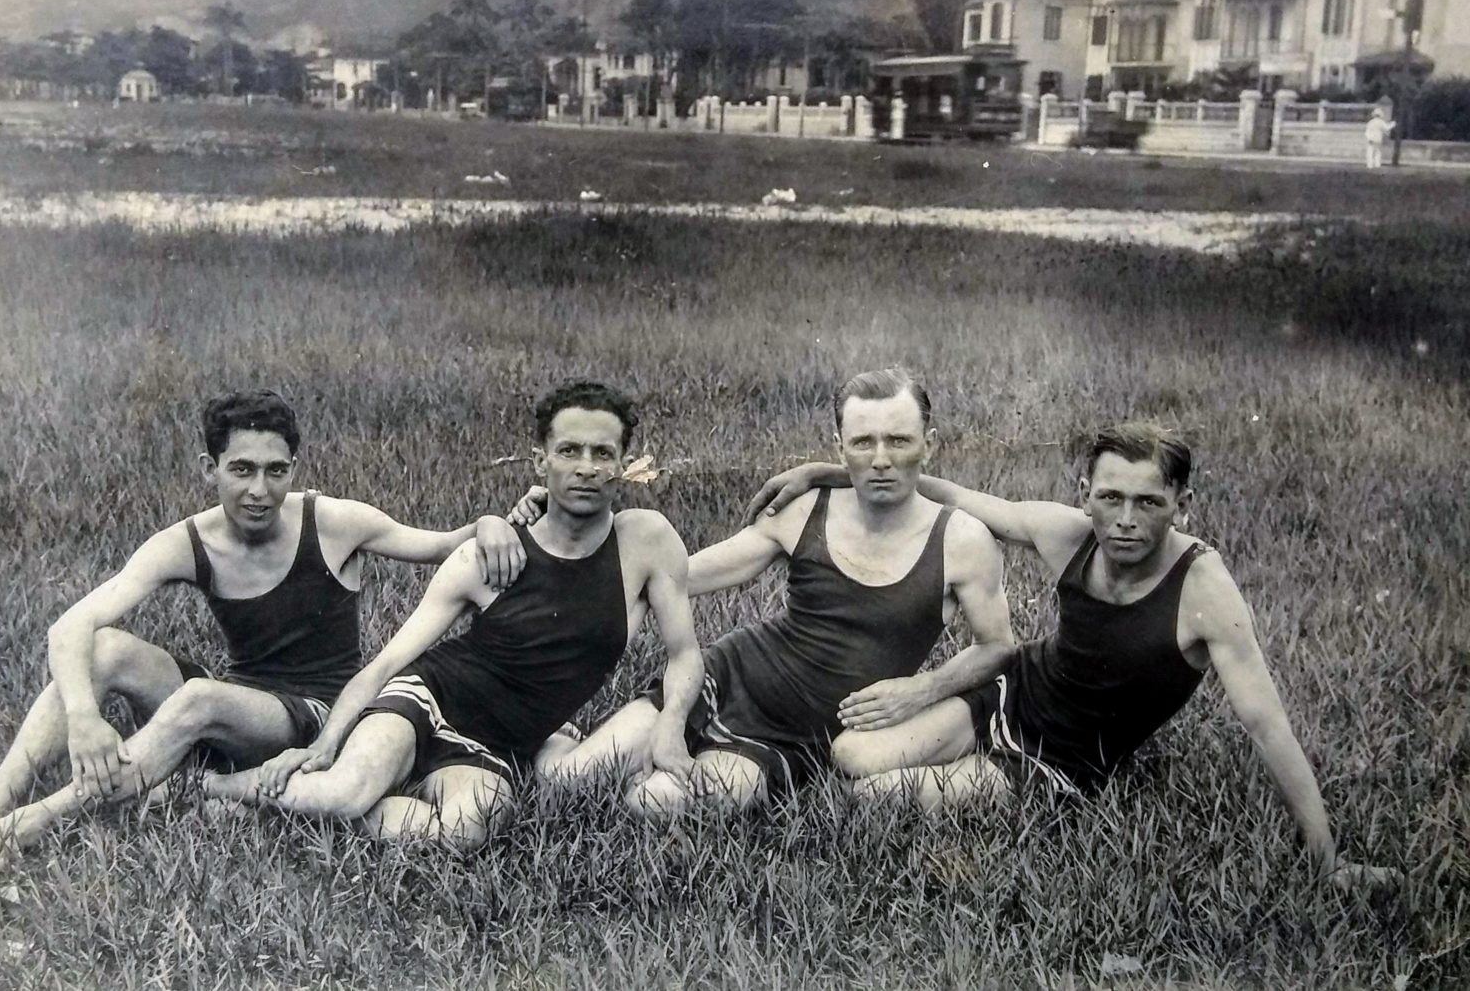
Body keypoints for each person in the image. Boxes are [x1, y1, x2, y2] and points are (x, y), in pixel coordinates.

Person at [747, 422, 1395, 887]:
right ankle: (956, 750)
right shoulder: (1069, 533)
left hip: (1058, 761)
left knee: (872, 800)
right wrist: (825, 472)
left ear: (1182, 503)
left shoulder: (1203, 588)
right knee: (848, 753)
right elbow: (958, 497)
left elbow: (1267, 724)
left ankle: (978, 776)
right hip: (1009, 693)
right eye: (1109, 497)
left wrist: (1327, 857)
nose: (1125, 519)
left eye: (1149, 502)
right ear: (1085, 491)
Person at [0, 390, 527, 873]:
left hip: (314, 714)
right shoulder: (188, 540)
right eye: (242, 470)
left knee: (200, 698)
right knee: (102, 650)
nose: (260, 490)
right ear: (210, 468)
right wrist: (83, 715)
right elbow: (72, 624)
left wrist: (493, 520)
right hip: (235, 701)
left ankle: (23, 827)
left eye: (276, 471)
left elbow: (447, 544)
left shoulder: (333, 521)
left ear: (294, 467)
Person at [200, 381, 703, 849]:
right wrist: (326, 745)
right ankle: (219, 786)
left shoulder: (647, 541)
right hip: (428, 700)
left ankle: (277, 810)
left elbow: (683, 655)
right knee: (344, 793)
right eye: (569, 450)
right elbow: (385, 664)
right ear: (540, 461)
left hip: (500, 748)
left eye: (603, 453)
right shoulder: (491, 556)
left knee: (464, 832)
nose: (586, 467)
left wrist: (672, 725)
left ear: (624, 464)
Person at [537, 369, 1013, 816]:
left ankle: (632, 752)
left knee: (655, 804)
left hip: (802, 735)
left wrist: (922, 689)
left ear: (928, 445)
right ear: (839, 447)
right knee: (570, 784)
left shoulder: (962, 540)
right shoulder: (806, 508)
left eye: (899, 441)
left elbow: (996, 646)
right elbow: (683, 575)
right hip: (729, 678)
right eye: (863, 442)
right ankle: (554, 734)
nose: (881, 459)